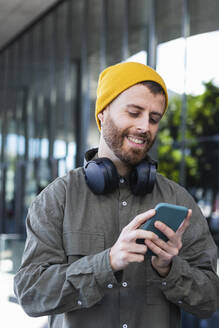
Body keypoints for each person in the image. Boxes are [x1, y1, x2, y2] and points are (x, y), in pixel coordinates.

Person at [14, 62, 219, 328]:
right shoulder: (57, 198)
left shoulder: (178, 199)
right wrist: (107, 263)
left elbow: (210, 300)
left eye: (154, 118)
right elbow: (30, 294)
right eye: (134, 113)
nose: (145, 126)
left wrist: (170, 269)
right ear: (102, 113)